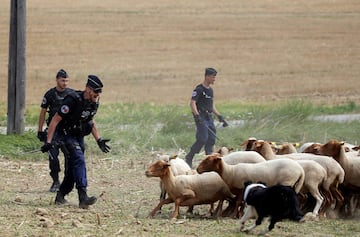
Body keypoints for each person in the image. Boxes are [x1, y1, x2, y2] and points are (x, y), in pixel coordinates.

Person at [41, 75, 111, 209]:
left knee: (73, 169)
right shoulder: (72, 100)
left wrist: (99, 140)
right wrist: (49, 141)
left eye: (98, 94)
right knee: (79, 159)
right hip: (65, 135)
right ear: (88, 89)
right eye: (95, 93)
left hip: (78, 136)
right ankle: (83, 196)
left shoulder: (93, 102)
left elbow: (90, 120)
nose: (97, 96)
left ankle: (61, 195)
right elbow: (55, 120)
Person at [37, 69, 73, 192]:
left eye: (67, 81)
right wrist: (40, 131)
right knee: (53, 158)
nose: (65, 83)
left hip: (67, 132)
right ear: (57, 80)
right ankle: (55, 181)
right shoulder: (50, 94)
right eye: (63, 80)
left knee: (70, 157)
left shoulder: (71, 94)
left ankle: (67, 183)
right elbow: (42, 113)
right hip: (53, 132)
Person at [185, 68, 228, 168]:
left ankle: (209, 159)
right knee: (202, 138)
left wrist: (219, 116)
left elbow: (211, 106)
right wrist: (197, 116)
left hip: (209, 117)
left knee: (211, 139)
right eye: (213, 77)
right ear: (207, 76)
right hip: (201, 116)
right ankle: (189, 156)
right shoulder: (199, 89)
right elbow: (192, 103)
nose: (214, 79)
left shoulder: (210, 90)